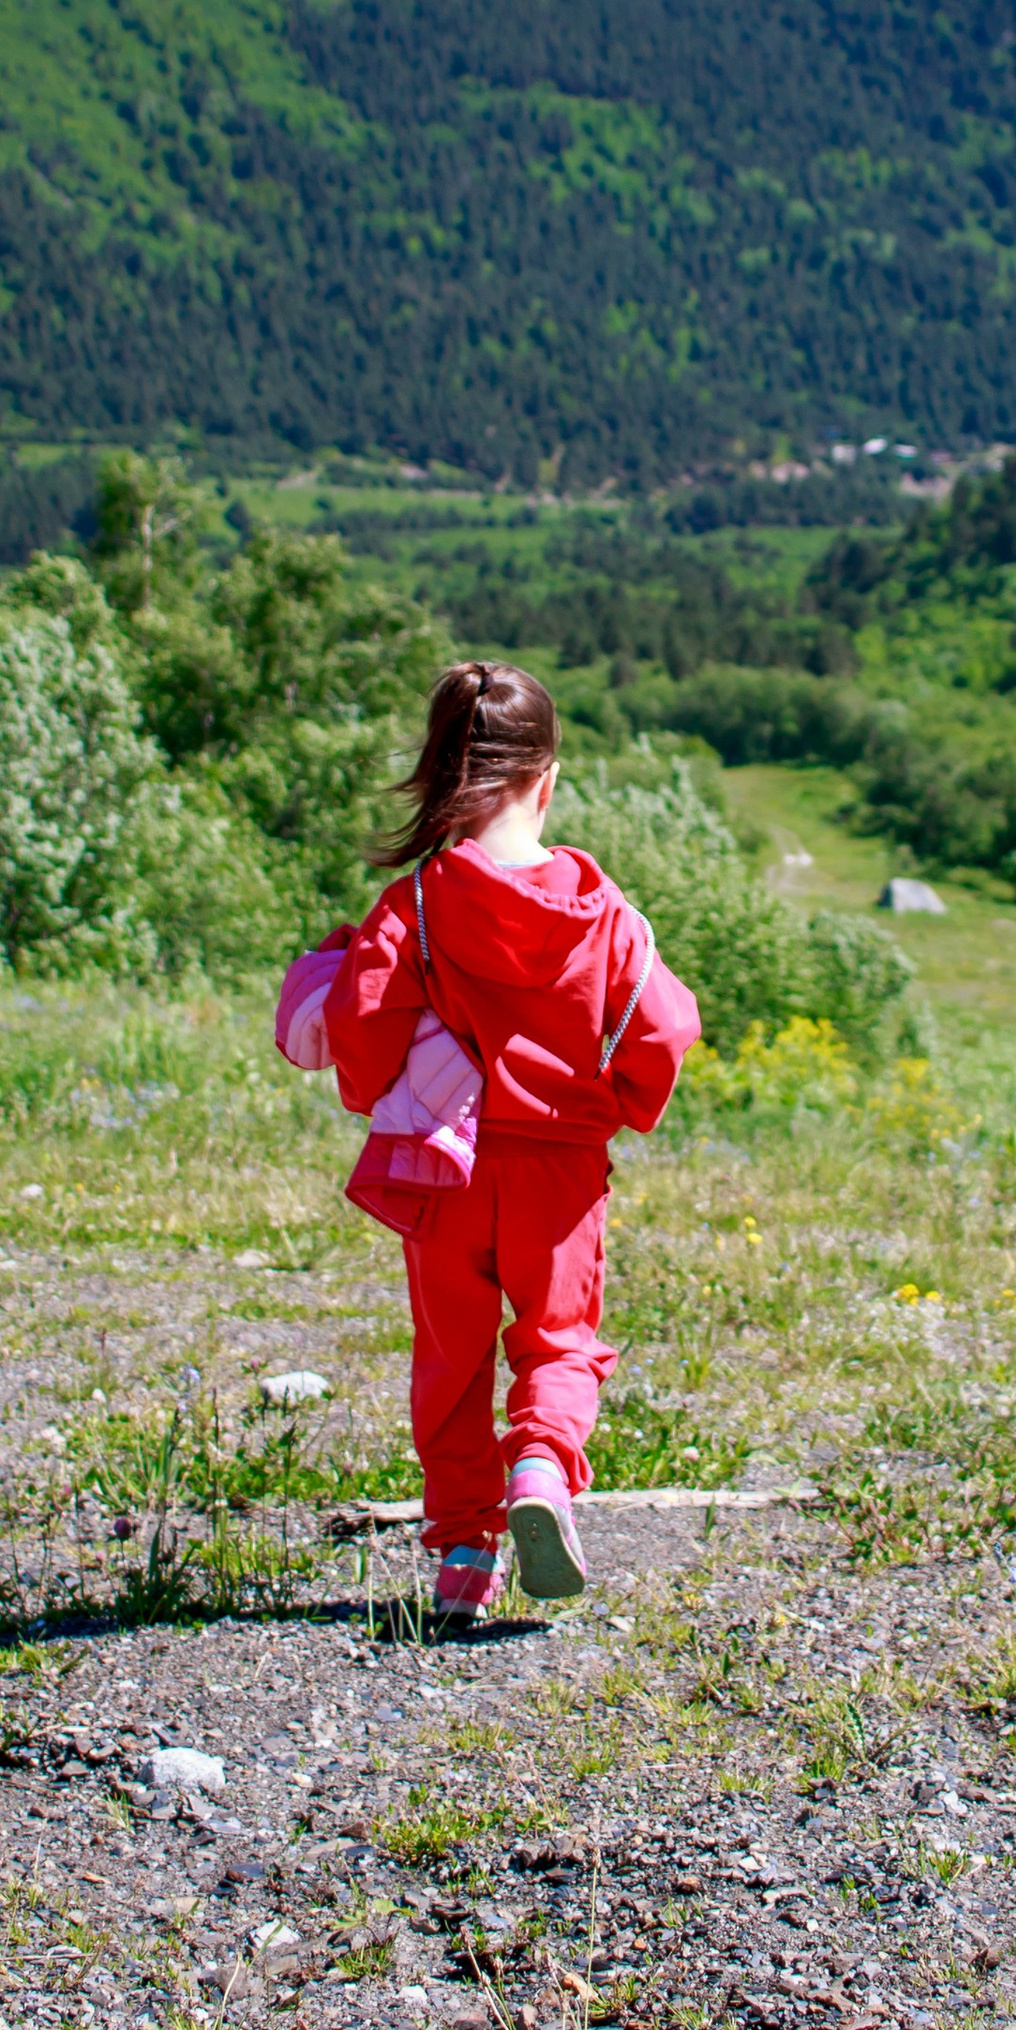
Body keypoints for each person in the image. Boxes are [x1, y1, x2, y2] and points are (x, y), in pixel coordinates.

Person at [320, 661, 701, 1627]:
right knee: (557, 1343)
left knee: (450, 1358)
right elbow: (662, 1031)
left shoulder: (411, 909)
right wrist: (615, 1105)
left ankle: (459, 1555)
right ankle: (540, 1468)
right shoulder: (607, 915)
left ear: (444, 774)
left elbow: (361, 1052)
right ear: (548, 779)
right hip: (560, 1177)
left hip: (440, 1171)